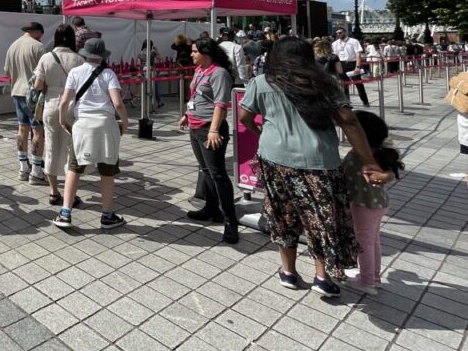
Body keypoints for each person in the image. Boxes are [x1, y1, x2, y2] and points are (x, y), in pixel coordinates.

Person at [239, 37, 382, 297]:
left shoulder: (261, 83)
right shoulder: (326, 84)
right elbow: (348, 120)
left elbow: (244, 116)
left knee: (283, 216)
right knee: (322, 219)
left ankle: (289, 272)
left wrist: (260, 130)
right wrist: (368, 160)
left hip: (276, 159)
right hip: (320, 161)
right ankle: (322, 276)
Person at [54, 37, 129, 230]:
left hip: (83, 125)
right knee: (107, 172)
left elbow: (64, 102)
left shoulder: (75, 72)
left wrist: (63, 119)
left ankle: (65, 214)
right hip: (106, 125)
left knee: (74, 169)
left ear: (84, 54)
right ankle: (107, 215)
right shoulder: (109, 74)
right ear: (103, 56)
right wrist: (125, 122)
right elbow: (118, 103)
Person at [178, 38, 239, 244]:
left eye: (195, 51)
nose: (192, 55)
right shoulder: (199, 71)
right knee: (205, 171)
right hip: (195, 126)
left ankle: (231, 222)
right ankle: (212, 209)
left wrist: (213, 129)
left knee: (218, 174)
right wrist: (187, 114)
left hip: (209, 129)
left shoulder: (218, 73)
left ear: (206, 53)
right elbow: (198, 97)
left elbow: (221, 104)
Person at [343, 111, 404, 295]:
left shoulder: (356, 156)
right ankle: (374, 277)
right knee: (374, 241)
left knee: (364, 243)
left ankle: (367, 281)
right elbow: (392, 173)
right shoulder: (379, 153)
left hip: (363, 206)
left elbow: (343, 177)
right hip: (379, 204)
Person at [30, 24, 84, 207]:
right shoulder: (79, 59)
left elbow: (37, 85)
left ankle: (53, 192)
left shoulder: (47, 57)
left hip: (51, 104)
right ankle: (71, 194)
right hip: (72, 105)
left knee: (51, 147)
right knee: (72, 150)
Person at [4, 21, 46, 184]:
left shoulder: (13, 46)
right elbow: (45, 73)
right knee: (38, 131)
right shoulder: (39, 47)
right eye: (41, 35)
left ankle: (23, 168)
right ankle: (36, 171)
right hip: (35, 96)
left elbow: (7, 71)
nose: (41, 38)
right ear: (37, 32)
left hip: (17, 92)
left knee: (22, 129)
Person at [332, 27, 370, 107]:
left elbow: (358, 54)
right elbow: (334, 56)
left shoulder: (353, 41)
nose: (338, 34)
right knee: (344, 85)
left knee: (358, 84)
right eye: (337, 33)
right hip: (341, 64)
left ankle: (365, 101)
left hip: (352, 63)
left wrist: (358, 66)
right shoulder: (335, 44)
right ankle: (346, 102)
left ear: (345, 32)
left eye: (340, 32)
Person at [140, 40, 165, 109]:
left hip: (144, 72)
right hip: (152, 71)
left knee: (145, 88)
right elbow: (161, 58)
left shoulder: (140, 53)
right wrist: (156, 50)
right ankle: (158, 103)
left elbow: (138, 64)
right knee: (155, 87)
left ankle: (144, 104)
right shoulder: (152, 52)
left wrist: (141, 73)